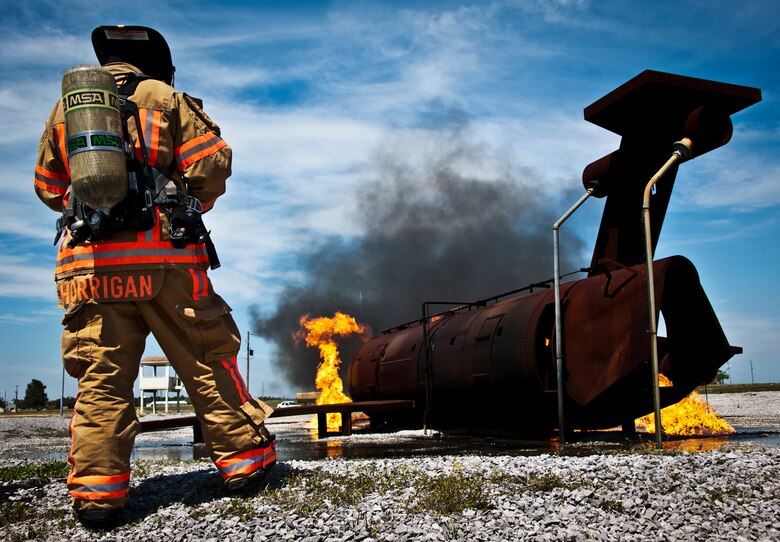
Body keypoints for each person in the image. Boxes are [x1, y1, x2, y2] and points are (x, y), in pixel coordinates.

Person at [34, 25, 275, 529]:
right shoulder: (164, 99)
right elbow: (212, 164)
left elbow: (47, 185)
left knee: (100, 380)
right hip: (165, 261)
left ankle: (98, 497)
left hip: (90, 271)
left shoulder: (67, 111)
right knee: (207, 357)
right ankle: (246, 463)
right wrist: (190, 203)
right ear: (155, 62)